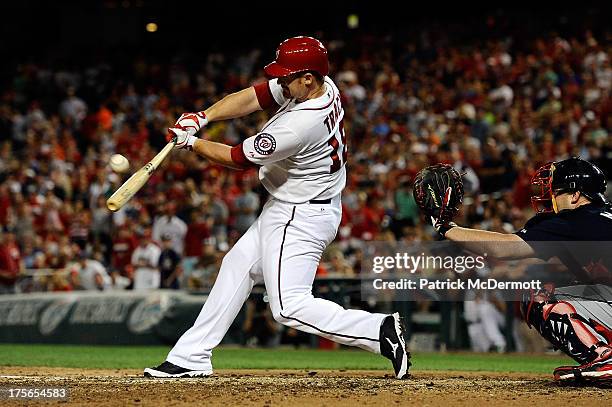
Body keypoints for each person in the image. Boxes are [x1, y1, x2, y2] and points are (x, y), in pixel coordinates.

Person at [144, 36, 409, 379]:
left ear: (308, 78)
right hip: (297, 203)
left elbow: (237, 159)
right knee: (237, 265)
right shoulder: (320, 84)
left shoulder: (300, 125)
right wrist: (202, 116)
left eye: (288, 76)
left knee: (288, 307)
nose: (281, 81)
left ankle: (377, 330)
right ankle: (190, 356)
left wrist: (192, 142)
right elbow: (256, 95)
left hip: (300, 214)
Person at [429, 157, 612, 384]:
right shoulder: (598, 218)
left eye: (556, 192)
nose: (551, 198)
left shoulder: (574, 220)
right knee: (580, 290)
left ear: (575, 195)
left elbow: (503, 248)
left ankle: (604, 359)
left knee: (538, 297)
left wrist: (445, 227)